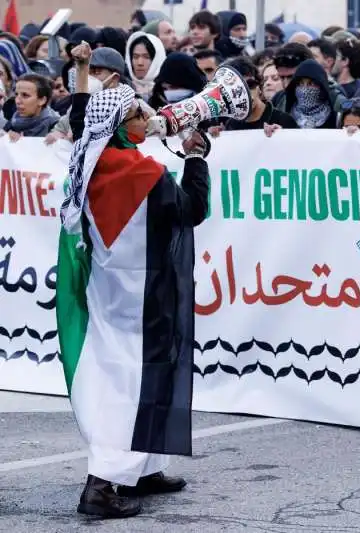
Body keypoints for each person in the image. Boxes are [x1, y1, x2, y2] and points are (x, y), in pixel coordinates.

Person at [56, 41, 209, 519]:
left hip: (109, 291)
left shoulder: (89, 160)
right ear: (122, 127)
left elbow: (85, 116)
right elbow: (193, 210)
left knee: (134, 375)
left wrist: (82, 71)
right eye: (140, 116)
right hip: (146, 295)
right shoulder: (142, 172)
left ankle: (143, 469)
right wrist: (197, 159)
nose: (149, 120)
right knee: (131, 384)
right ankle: (101, 487)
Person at [221, 56, 296, 131]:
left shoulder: (284, 121)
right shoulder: (231, 125)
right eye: (237, 88)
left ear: (259, 87)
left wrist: (283, 135)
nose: (246, 93)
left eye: (250, 85)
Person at [3, 73, 59, 141]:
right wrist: (5, 137)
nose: (17, 101)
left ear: (42, 100)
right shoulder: (12, 122)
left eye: (25, 95)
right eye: (16, 94)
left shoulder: (56, 126)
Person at [285, 59, 338, 129]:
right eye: (300, 84)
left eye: (310, 84)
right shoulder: (286, 114)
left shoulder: (335, 115)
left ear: (321, 87)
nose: (304, 89)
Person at [125, 32, 167, 100]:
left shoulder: (167, 90)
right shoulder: (123, 90)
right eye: (135, 57)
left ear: (157, 59)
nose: (140, 63)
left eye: (146, 57)